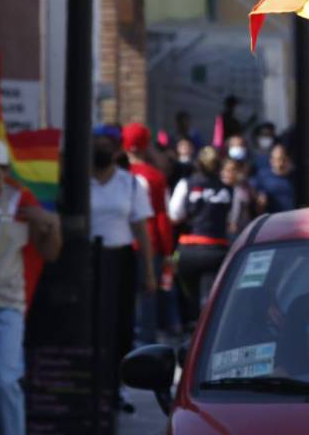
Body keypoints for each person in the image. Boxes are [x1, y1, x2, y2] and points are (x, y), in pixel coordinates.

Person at [0, 138, 61, 435]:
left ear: (6, 170)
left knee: (4, 379)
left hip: (7, 304)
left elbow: (50, 253)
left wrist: (52, 224)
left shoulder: (21, 200)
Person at [90, 126, 156, 412]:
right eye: (98, 144)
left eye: (109, 145)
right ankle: (91, 383)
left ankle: (117, 388)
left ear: (118, 150)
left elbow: (141, 228)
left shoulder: (130, 183)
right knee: (90, 324)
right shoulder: (78, 181)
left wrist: (150, 271)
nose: (103, 150)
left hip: (120, 259)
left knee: (120, 323)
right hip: (88, 261)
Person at [169, 147, 235, 327]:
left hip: (188, 251)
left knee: (189, 300)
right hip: (217, 251)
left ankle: (190, 329)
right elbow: (232, 219)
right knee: (213, 301)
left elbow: (174, 215)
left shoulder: (186, 184)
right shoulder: (228, 189)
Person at [123, 122, 173, 347]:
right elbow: (162, 216)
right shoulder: (155, 176)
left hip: (122, 241)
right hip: (150, 243)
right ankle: (146, 345)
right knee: (147, 296)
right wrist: (168, 250)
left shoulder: (118, 175)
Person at [253, 143, 296, 214]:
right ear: (271, 160)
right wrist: (260, 199)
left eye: (283, 159)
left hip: (292, 219)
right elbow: (255, 193)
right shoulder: (262, 177)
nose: (281, 163)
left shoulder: (295, 177)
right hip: (272, 220)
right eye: (278, 159)